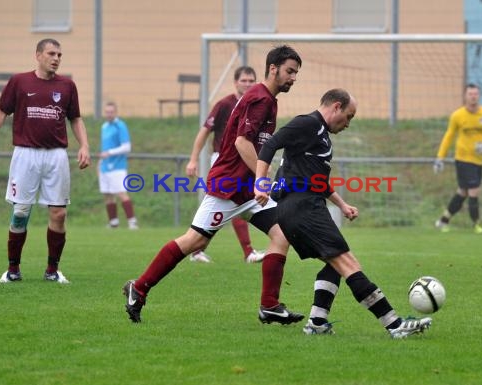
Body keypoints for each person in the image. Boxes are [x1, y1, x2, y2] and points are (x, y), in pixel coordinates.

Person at [123, 45, 304, 325]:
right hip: (230, 186)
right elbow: (241, 142)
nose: (293, 78)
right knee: (195, 240)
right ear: (273, 68)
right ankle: (140, 287)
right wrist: (261, 179)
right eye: (290, 71)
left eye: (296, 73)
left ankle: (269, 305)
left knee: (281, 235)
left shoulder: (268, 98)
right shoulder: (260, 99)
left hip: (246, 188)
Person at [254, 88, 433, 339]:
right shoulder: (307, 123)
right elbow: (270, 145)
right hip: (302, 207)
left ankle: (317, 322)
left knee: (335, 264)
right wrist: (260, 183)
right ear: (336, 106)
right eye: (348, 116)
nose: (348, 123)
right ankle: (394, 325)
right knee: (348, 264)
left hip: (301, 206)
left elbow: (317, 181)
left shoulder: (321, 136)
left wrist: (342, 204)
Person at [0, 38, 91, 284]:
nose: (56, 58)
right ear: (38, 55)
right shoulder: (19, 81)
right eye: (52, 53)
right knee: (20, 212)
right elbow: (1, 110)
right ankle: (13, 270)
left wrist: (84, 145)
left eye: (60, 55)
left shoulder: (67, 85)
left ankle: (52, 271)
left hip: (56, 156)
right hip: (25, 154)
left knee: (59, 213)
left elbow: (75, 118)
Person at [185, 66, 264, 263]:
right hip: (224, 161)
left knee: (235, 205)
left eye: (251, 80)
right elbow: (204, 131)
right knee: (233, 203)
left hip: (245, 161)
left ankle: (197, 249)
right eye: (244, 80)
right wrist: (193, 159)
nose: (247, 84)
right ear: (235, 82)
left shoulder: (257, 105)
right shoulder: (224, 105)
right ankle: (248, 252)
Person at [433, 83, 482, 234]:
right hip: (463, 159)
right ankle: (476, 225)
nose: (473, 97)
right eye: (470, 94)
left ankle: (443, 220)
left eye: (476, 94)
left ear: (479, 96)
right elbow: (448, 137)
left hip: (478, 160)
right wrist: (439, 158)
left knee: (463, 192)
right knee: (474, 191)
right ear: (465, 96)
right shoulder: (458, 115)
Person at [98, 101, 138, 230]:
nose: (109, 114)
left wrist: (109, 153)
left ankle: (132, 222)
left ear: (115, 112)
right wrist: (100, 162)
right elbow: (105, 147)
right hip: (105, 166)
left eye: (111, 112)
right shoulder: (104, 126)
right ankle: (113, 222)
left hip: (118, 166)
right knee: (107, 194)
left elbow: (127, 147)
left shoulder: (120, 126)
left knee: (121, 193)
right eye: (107, 112)